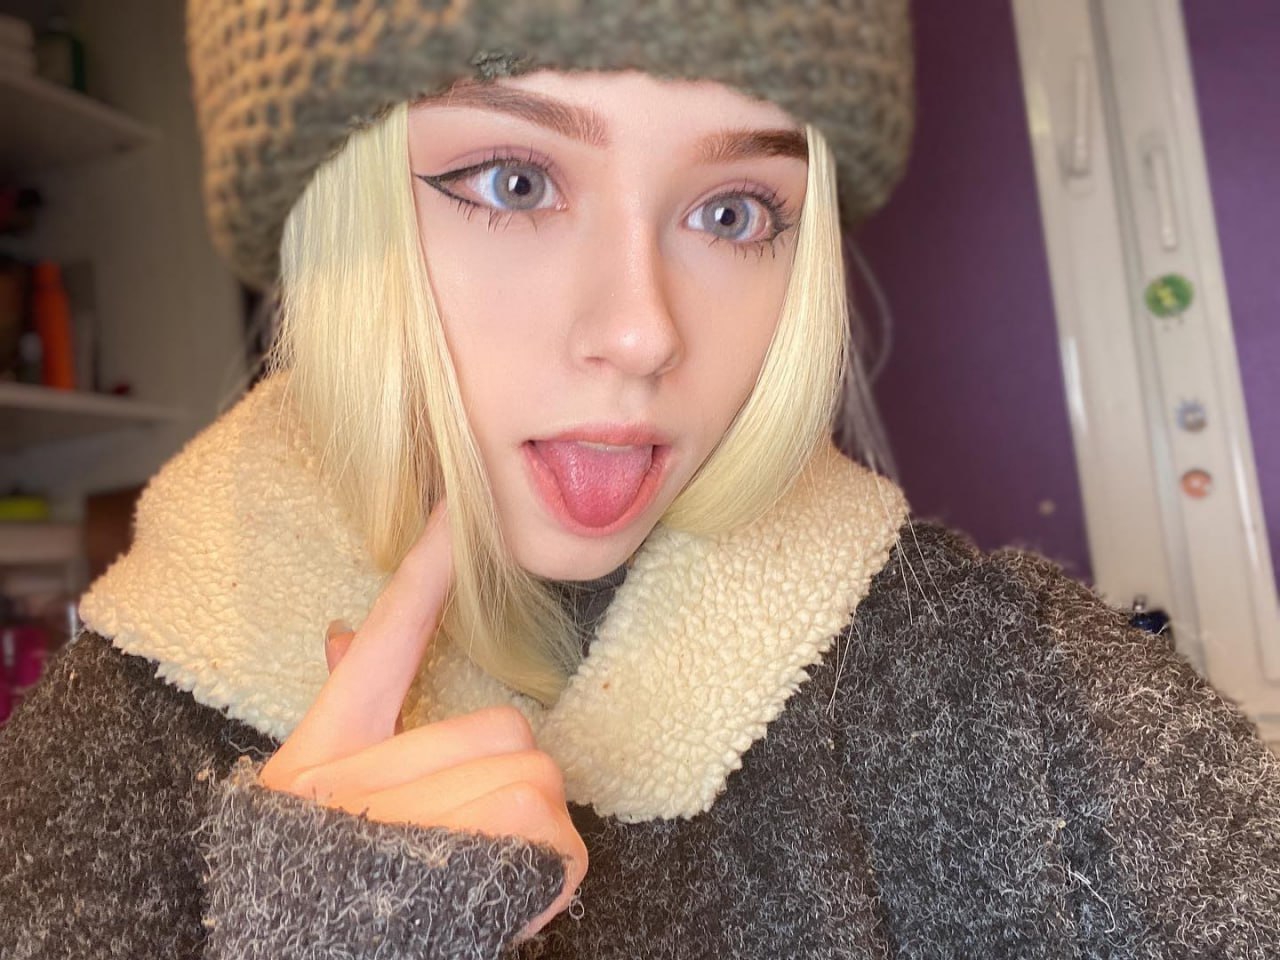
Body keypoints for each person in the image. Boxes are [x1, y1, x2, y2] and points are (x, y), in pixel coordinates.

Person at [3, 1, 1280, 957]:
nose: (640, 333)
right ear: (340, 216)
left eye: (731, 212)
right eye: (512, 182)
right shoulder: (100, 760)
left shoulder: (1013, 684)